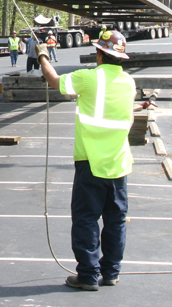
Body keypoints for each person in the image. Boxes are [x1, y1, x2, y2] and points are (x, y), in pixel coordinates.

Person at [35, 29, 136, 291]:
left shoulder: (88, 78)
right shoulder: (129, 82)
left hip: (90, 161)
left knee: (86, 219)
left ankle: (88, 275)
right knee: (115, 221)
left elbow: (54, 81)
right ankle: (111, 273)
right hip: (118, 163)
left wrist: (43, 56)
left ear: (99, 54)